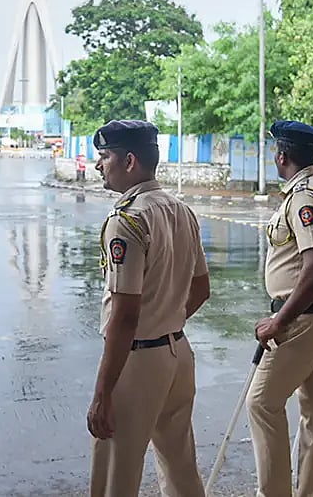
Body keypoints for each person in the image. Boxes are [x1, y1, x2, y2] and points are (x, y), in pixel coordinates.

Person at [87, 119, 211, 497]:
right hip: (176, 353)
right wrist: (166, 319)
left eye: (104, 157)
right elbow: (201, 288)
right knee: (180, 467)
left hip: (137, 361)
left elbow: (125, 315)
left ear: (128, 162)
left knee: (115, 474)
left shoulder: (127, 221)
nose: (98, 166)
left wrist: (103, 392)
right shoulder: (180, 210)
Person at [246, 121, 313, 497]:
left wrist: (280, 320)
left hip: (305, 317)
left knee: (261, 403)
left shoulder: (306, 196)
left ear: (282, 155)